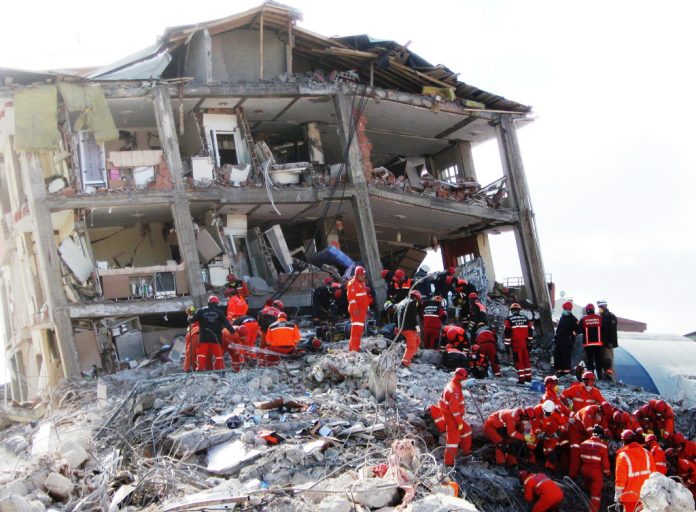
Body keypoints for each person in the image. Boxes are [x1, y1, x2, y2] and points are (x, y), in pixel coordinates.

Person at [436, 368, 472, 465]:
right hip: (452, 418)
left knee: (466, 430)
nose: (466, 381)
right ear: (460, 378)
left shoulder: (455, 385)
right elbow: (454, 410)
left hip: (454, 416)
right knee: (453, 441)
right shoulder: (454, 391)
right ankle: (448, 463)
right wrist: (459, 422)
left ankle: (466, 452)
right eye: (465, 379)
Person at [615, 429, 656, 512]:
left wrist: (617, 498)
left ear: (624, 441)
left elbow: (620, 482)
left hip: (630, 499)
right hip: (646, 496)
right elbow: (654, 475)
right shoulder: (647, 453)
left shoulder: (623, 456)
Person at [189, 296, 234, 371]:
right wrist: (232, 332)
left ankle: (200, 368)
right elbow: (226, 323)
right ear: (216, 303)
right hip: (216, 337)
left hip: (204, 337)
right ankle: (219, 368)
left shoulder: (201, 311)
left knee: (201, 354)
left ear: (209, 302)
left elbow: (191, 320)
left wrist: (190, 314)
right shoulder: (219, 312)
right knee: (218, 355)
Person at [568, 404, 610, 478]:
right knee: (576, 453)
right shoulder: (587, 412)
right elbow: (590, 431)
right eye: (602, 414)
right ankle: (572, 476)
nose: (602, 416)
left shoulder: (600, 414)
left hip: (584, 433)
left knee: (587, 452)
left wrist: (609, 437)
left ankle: (582, 473)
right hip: (575, 432)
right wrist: (600, 442)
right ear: (599, 410)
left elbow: (605, 427)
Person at [579, 425, 610, 512]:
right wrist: (608, 474)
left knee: (587, 488)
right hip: (596, 473)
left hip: (584, 470)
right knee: (595, 495)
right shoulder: (603, 446)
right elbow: (606, 464)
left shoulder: (584, 443)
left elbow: (580, 458)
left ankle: (583, 504)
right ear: (600, 435)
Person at [532, 400, 569, 470]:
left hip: (551, 430)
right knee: (531, 442)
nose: (546, 414)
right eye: (545, 412)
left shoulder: (557, 413)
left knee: (550, 448)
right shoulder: (537, 409)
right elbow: (533, 422)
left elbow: (563, 426)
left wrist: (557, 433)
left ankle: (549, 466)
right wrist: (537, 432)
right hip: (539, 428)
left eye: (548, 413)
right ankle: (531, 459)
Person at [504, 303, 533, 383]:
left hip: (516, 344)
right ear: (519, 310)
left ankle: (521, 379)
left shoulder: (509, 319)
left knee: (518, 361)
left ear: (512, 311)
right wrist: (530, 341)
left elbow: (507, 333)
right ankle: (528, 378)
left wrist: (506, 345)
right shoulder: (525, 318)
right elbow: (530, 331)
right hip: (525, 343)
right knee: (526, 360)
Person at [347, 266, 373, 352]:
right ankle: (354, 349)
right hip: (357, 311)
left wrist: (369, 301)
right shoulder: (352, 284)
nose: (363, 276)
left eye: (364, 275)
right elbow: (351, 298)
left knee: (358, 330)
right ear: (357, 275)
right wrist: (355, 309)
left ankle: (354, 348)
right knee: (356, 331)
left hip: (361, 311)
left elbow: (362, 297)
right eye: (361, 275)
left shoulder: (361, 283)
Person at [395, 289, 422, 366]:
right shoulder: (412, 303)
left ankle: (411, 356)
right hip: (408, 328)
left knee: (417, 340)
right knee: (411, 346)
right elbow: (412, 317)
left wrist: (397, 327)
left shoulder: (401, 303)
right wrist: (418, 328)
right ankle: (405, 361)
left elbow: (395, 315)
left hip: (402, 327)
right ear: (416, 298)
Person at [578, 304, 604, 380]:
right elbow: (604, 330)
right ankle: (600, 376)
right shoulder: (600, 318)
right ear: (593, 309)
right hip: (598, 344)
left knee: (590, 360)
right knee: (598, 359)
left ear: (586, 310)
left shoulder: (584, 319)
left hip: (588, 344)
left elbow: (579, 331)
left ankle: (591, 376)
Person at [554, 301, 577, 377]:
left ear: (569, 309)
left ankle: (566, 373)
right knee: (558, 356)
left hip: (567, 342)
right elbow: (559, 329)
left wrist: (571, 337)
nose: (565, 310)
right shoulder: (562, 317)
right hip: (559, 341)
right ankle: (559, 372)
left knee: (566, 357)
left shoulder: (573, 319)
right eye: (564, 309)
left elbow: (577, 330)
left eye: (566, 309)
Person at [597, 300, 618, 381]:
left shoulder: (610, 316)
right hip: (601, 343)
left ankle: (611, 379)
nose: (600, 308)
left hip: (607, 343)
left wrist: (611, 342)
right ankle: (605, 377)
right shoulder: (600, 316)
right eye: (599, 307)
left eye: (602, 306)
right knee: (603, 361)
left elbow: (612, 331)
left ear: (606, 306)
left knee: (608, 361)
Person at [183, 306, 199, 372]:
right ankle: (196, 368)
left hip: (195, 334)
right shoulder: (194, 322)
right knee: (198, 353)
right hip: (198, 334)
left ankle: (188, 369)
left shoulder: (193, 321)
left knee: (189, 353)